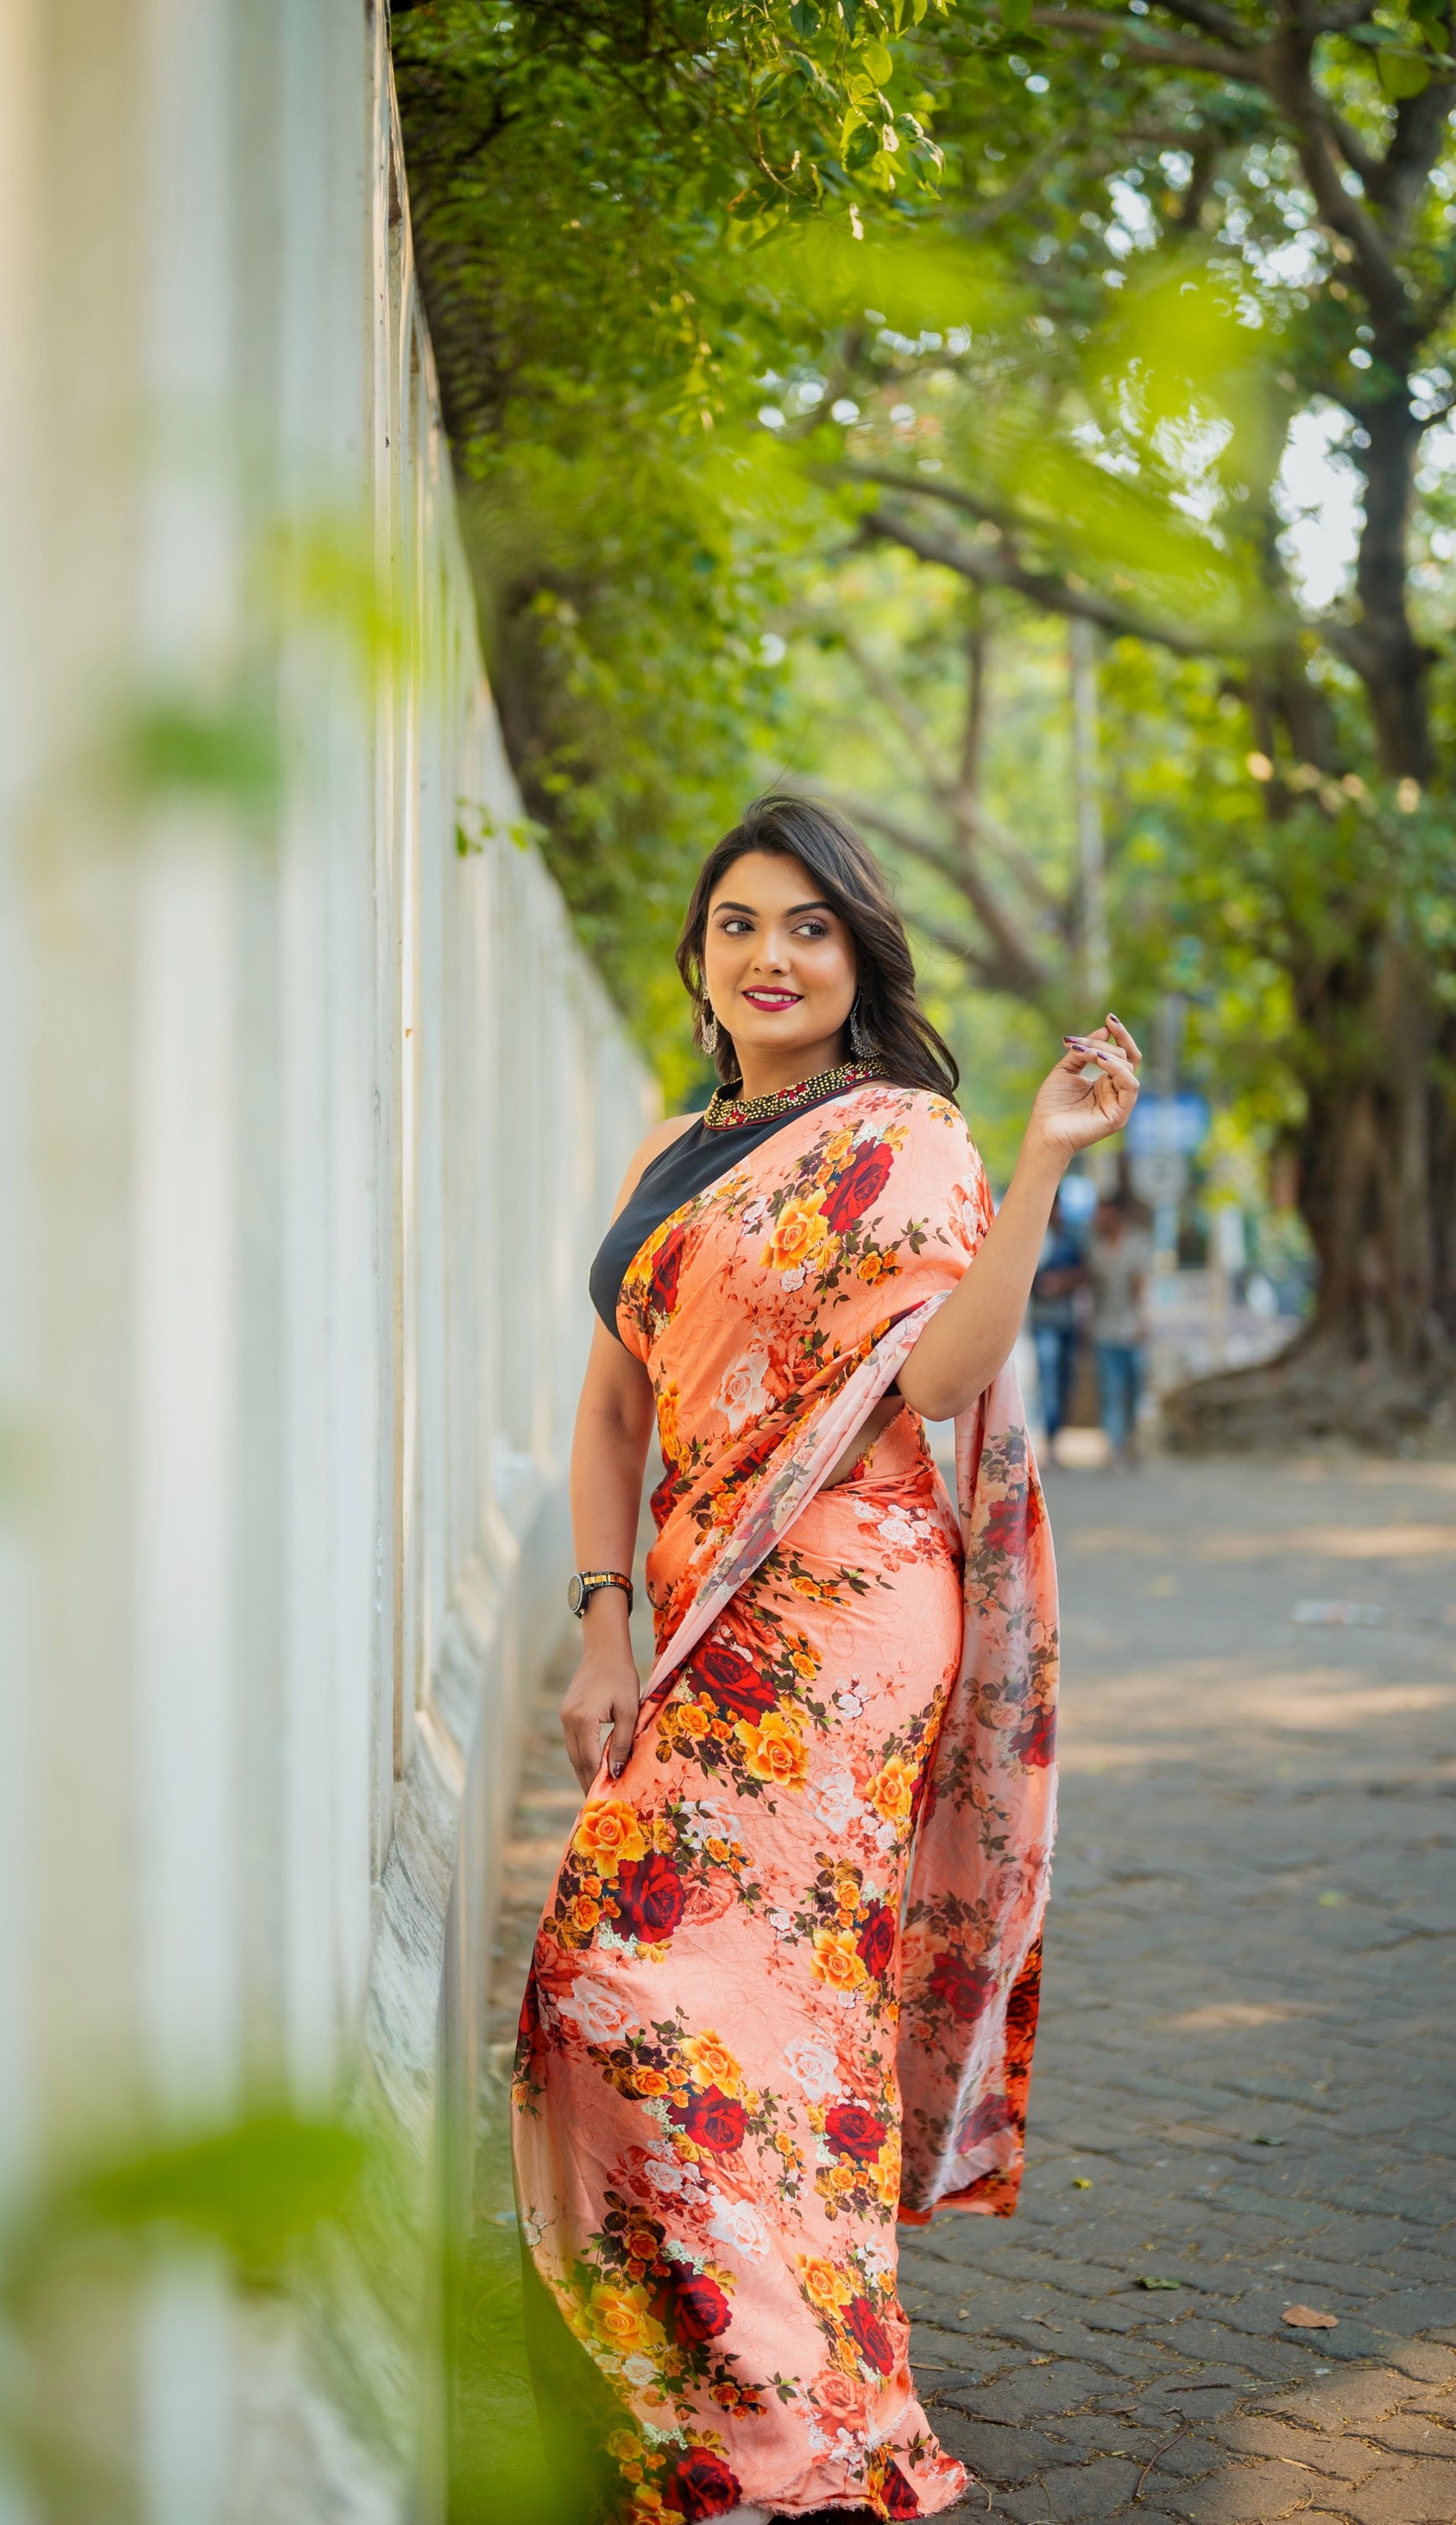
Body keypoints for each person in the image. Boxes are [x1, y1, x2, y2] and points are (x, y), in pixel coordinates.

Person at [511, 796, 1138, 2524]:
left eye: (806, 924)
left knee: (752, 2008)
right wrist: (599, 1623)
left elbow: (937, 1382)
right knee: (606, 1991)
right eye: (737, 924)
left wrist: (1035, 1166)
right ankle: (714, 2376)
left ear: (855, 954)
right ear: (699, 957)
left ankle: (794, 2414)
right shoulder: (671, 1145)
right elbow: (612, 1411)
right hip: (687, 1608)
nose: (769, 954)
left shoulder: (904, 1139)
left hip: (846, 1618)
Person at [1086, 1196, 1152, 1466]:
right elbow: (1093, 1290)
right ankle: (1114, 1446)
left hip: (1131, 1326)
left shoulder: (1136, 1244)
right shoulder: (1096, 1248)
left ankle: (1132, 1439)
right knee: (1111, 1388)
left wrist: (1142, 1320)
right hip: (1104, 1326)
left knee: (1135, 1387)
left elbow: (1141, 1285)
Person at [1027, 1197, 1086, 1450]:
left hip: (1066, 1319)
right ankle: (1050, 1437)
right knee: (1049, 1379)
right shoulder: (1033, 1238)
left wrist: (1062, 1282)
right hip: (1043, 1320)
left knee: (1064, 1380)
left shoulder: (1070, 1240)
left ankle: (1057, 1433)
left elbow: (1085, 1273)